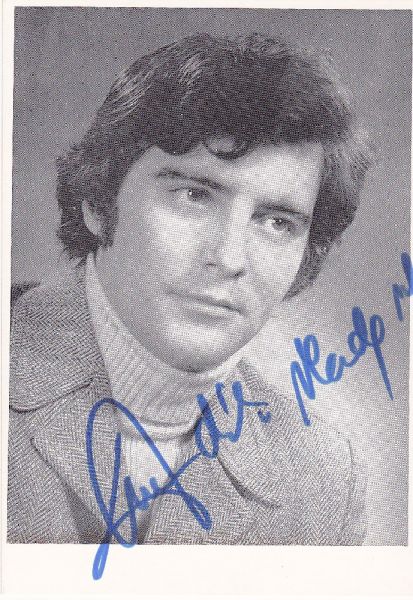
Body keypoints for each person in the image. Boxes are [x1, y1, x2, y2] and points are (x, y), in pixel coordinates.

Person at [8, 33, 370, 546]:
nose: (229, 258)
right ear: (97, 200)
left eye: (277, 222)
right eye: (194, 195)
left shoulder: (324, 478)